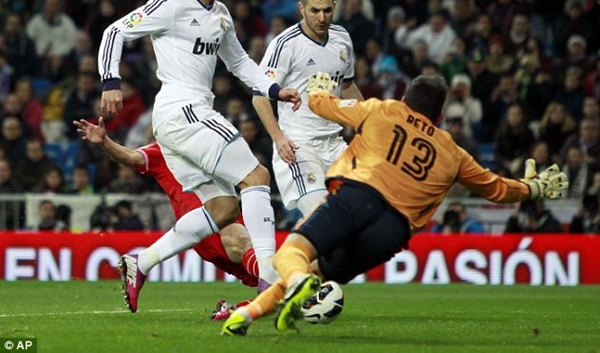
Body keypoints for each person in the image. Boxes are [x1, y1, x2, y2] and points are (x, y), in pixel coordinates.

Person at [222, 73, 569, 336]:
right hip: (392, 233)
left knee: (291, 256)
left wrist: (320, 89)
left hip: (360, 196)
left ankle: (294, 286)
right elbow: (496, 188)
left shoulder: (385, 110)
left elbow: (322, 106)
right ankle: (248, 315)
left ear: (405, 98)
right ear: (440, 113)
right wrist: (532, 188)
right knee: (317, 274)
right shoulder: (453, 152)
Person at [97, 0, 301, 311]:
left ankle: (140, 262)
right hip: (182, 109)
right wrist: (111, 82)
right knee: (256, 177)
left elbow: (239, 64)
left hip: (182, 119)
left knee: (224, 208)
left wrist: (274, 90)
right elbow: (115, 32)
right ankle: (270, 283)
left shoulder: (221, 14)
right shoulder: (171, 5)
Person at [74, 117, 261, 312]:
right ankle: (143, 262)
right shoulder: (163, 150)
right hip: (213, 222)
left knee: (261, 279)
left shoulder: (209, 142)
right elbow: (130, 157)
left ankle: (233, 311)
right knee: (266, 269)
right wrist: (105, 142)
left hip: (195, 233)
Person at [253, 0, 363, 219]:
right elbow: (259, 96)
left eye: (327, 10)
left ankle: (301, 255)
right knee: (322, 218)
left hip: (335, 145)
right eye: (315, 11)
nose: (322, 18)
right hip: (298, 146)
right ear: (302, 8)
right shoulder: (285, 44)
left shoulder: (342, 38)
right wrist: (279, 138)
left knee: (359, 215)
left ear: (334, 6)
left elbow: (347, 86)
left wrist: (366, 123)